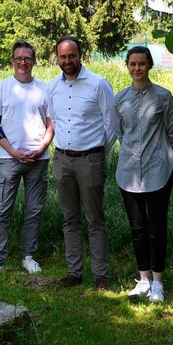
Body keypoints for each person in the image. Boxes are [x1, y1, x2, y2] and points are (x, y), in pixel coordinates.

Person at [0, 40, 54, 282]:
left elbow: (52, 124)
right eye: (18, 58)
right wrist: (13, 152)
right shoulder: (1, 88)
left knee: (34, 210)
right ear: (12, 61)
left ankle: (28, 256)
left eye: (27, 58)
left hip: (38, 159)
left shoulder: (45, 89)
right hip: (9, 159)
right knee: (2, 210)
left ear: (34, 61)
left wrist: (41, 147)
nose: (23, 62)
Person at [47, 35, 116, 290]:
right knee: (69, 218)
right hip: (62, 159)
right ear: (57, 58)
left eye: (72, 56)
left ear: (81, 55)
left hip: (90, 160)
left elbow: (112, 125)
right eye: (63, 57)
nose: (67, 61)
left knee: (95, 219)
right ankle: (74, 272)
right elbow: (54, 120)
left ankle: (100, 276)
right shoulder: (52, 86)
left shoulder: (99, 84)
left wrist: (98, 154)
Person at [113, 46, 173, 302]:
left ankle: (158, 283)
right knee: (137, 227)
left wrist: (164, 159)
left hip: (158, 171)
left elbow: (172, 133)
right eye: (132, 64)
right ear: (127, 66)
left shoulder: (163, 97)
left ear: (149, 65)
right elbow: (120, 133)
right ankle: (143, 280)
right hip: (128, 173)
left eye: (142, 63)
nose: (137, 68)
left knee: (157, 228)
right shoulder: (120, 99)